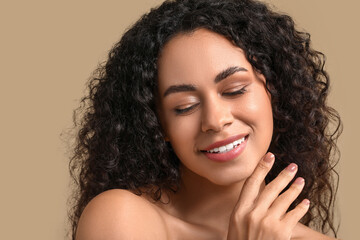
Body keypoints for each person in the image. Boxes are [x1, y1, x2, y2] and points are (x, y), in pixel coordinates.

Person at [69, 0, 342, 239]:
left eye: (234, 90)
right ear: (159, 124)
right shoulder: (121, 218)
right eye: (185, 107)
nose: (215, 120)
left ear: (274, 90)